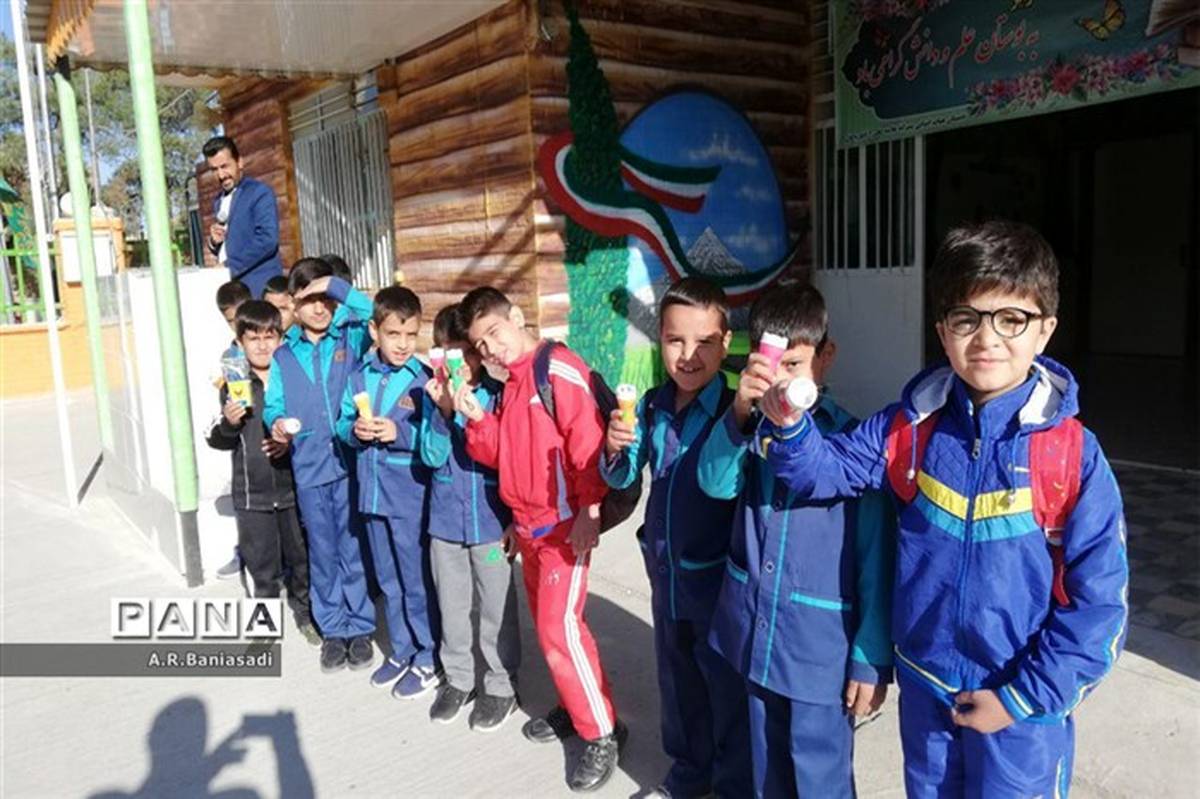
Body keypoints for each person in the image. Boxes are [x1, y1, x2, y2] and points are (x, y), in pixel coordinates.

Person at [757, 221, 1128, 796]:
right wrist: (789, 426)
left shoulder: (1071, 454)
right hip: (926, 692)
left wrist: (1022, 698)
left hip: (1019, 710)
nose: (987, 338)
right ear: (942, 331)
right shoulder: (910, 427)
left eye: (1011, 319)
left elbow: (1100, 606)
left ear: (1045, 330)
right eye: (966, 319)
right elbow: (823, 472)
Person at [697, 285, 894, 798]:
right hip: (753, 637)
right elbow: (714, 483)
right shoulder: (749, 430)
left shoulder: (852, 446)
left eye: (794, 364)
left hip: (818, 652)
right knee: (765, 767)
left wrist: (869, 656)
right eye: (770, 365)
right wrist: (739, 414)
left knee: (818, 773)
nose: (780, 380)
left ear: (825, 357)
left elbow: (876, 562)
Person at [454, 287, 626, 793]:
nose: (491, 349)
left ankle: (602, 733)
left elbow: (587, 446)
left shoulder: (558, 368)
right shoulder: (511, 383)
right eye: (480, 345)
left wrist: (590, 511)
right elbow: (506, 456)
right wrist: (477, 418)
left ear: (516, 317)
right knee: (558, 632)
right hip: (530, 530)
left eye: (494, 333)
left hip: (564, 529)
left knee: (558, 630)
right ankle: (579, 706)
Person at [601, 277, 752, 798]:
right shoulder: (651, 406)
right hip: (666, 574)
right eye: (675, 340)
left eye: (704, 341)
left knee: (726, 688)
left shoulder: (737, 410)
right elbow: (625, 476)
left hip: (719, 582)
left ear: (726, 342)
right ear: (659, 340)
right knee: (677, 678)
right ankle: (689, 773)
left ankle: (733, 785)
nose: (689, 355)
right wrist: (615, 449)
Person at [263, 257, 377, 673]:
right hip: (309, 466)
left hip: (349, 463)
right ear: (293, 303)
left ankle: (360, 626)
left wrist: (333, 285)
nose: (319, 307)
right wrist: (277, 424)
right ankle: (333, 629)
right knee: (323, 551)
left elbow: (372, 311)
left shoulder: (350, 336)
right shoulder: (283, 356)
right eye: (308, 299)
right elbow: (274, 404)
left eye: (324, 299)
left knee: (353, 548)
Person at [335, 286, 439, 699]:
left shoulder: (422, 381)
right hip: (372, 497)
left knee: (416, 582)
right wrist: (354, 431)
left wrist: (400, 432)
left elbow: (435, 438)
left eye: (411, 335)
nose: (403, 344)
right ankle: (402, 649)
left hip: (409, 499)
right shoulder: (358, 376)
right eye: (394, 334)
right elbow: (342, 424)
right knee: (389, 581)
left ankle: (428, 655)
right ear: (374, 331)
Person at [421, 304, 520, 729]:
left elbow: (513, 461)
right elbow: (431, 456)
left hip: (492, 525)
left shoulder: (500, 396)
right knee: (452, 606)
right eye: (449, 354)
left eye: (467, 352)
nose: (460, 363)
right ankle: (459, 678)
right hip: (445, 524)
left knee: (497, 607)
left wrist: (516, 519)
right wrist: (443, 413)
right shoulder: (432, 398)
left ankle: (501, 684)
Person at [205, 300, 317, 644]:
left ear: (281, 339)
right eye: (253, 338)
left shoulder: (293, 379)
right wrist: (229, 423)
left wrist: (288, 443)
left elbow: (309, 425)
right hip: (252, 494)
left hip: (293, 489)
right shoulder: (234, 383)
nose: (262, 345)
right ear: (239, 342)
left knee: (301, 559)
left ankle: (306, 614)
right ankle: (264, 625)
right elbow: (217, 438)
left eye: (270, 336)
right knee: (261, 564)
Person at [203, 136, 283, 298]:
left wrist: (229, 266)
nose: (221, 175)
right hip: (232, 289)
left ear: (239, 162)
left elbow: (267, 240)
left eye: (224, 166)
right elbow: (233, 242)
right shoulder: (218, 200)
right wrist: (214, 242)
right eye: (214, 169)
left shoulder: (259, 193)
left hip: (257, 288)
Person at [212, 280, 253, 581]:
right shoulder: (232, 357)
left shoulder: (272, 346)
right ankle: (245, 553)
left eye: (241, 316)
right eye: (230, 320)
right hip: (245, 444)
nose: (237, 325)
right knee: (247, 502)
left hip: (277, 442)